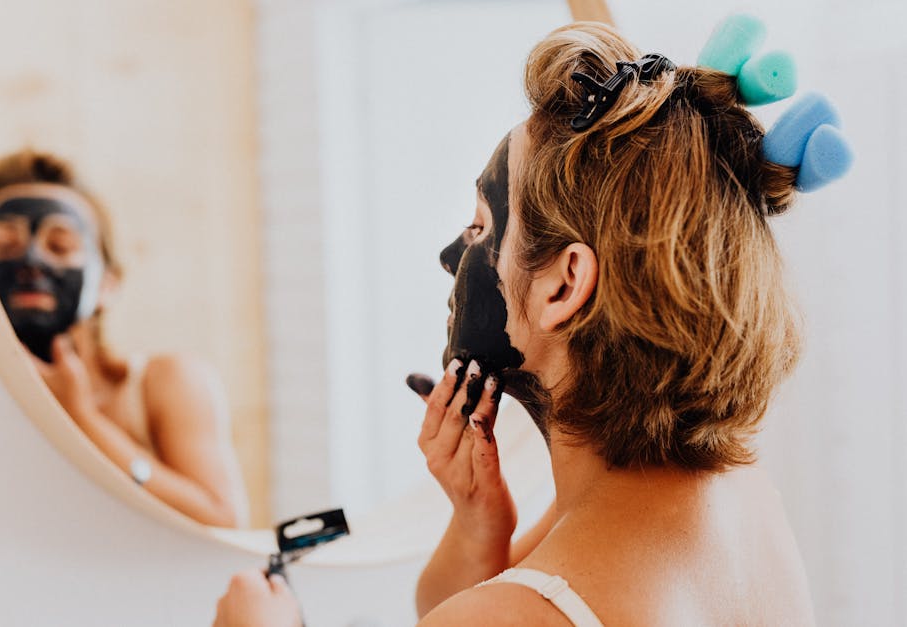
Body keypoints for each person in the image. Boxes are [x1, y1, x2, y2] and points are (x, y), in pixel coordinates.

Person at [213, 15, 818, 626]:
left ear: (565, 285)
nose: (451, 255)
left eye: (480, 226)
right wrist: (481, 519)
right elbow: (452, 607)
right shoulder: (738, 496)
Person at [0, 149, 249, 528]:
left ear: (107, 284)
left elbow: (223, 520)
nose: (33, 261)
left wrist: (80, 418)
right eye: (6, 246)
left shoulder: (165, 382)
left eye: (60, 247)